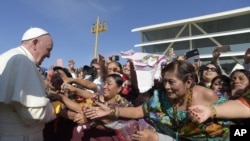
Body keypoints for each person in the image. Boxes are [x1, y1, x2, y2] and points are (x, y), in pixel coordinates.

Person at [84, 60, 230, 141]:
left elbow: (229, 126)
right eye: (164, 81)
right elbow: (140, 111)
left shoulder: (207, 95)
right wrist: (112, 111)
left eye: (172, 82)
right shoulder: (160, 96)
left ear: (188, 82)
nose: (166, 87)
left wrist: (156, 138)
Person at [0, 27, 56, 141]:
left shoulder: (7, 56)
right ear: (35, 43)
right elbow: (34, 114)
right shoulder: (23, 60)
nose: (49, 55)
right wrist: (57, 106)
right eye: (48, 49)